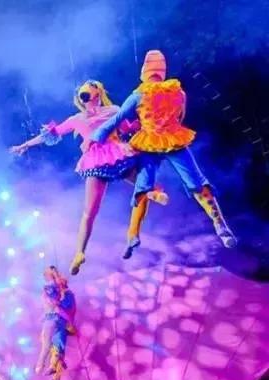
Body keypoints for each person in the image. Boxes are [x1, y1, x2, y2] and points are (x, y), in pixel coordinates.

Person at [90, 50, 237, 258]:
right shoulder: (178, 92)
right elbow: (180, 117)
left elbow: (117, 119)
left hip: (149, 142)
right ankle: (221, 226)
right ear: (162, 71)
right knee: (197, 182)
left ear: (144, 71)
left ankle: (132, 235)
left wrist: (96, 138)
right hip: (173, 139)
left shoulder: (138, 95)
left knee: (143, 188)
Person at [10, 80, 167, 274]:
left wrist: (151, 121)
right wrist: (25, 145)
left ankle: (144, 213)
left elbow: (129, 127)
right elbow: (51, 134)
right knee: (90, 212)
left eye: (93, 94)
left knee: (142, 186)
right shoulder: (79, 118)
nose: (91, 99)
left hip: (116, 155)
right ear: (82, 99)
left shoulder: (112, 111)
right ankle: (79, 253)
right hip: (101, 161)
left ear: (99, 94)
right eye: (85, 96)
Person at [35, 266, 76, 380]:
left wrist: (57, 306)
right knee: (54, 345)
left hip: (62, 321)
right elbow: (53, 306)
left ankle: (55, 370)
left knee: (57, 344)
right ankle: (55, 371)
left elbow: (66, 309)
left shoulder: (68, 294)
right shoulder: (60, 294)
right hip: (57, 320)